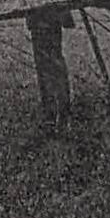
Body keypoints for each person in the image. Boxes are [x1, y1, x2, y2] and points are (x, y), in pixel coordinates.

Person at [26, 7, 74, 135]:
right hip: (45, 13)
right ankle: (56, 115)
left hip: (45, 13)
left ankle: (57, 116)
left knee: (49, 65)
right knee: (48, 64)